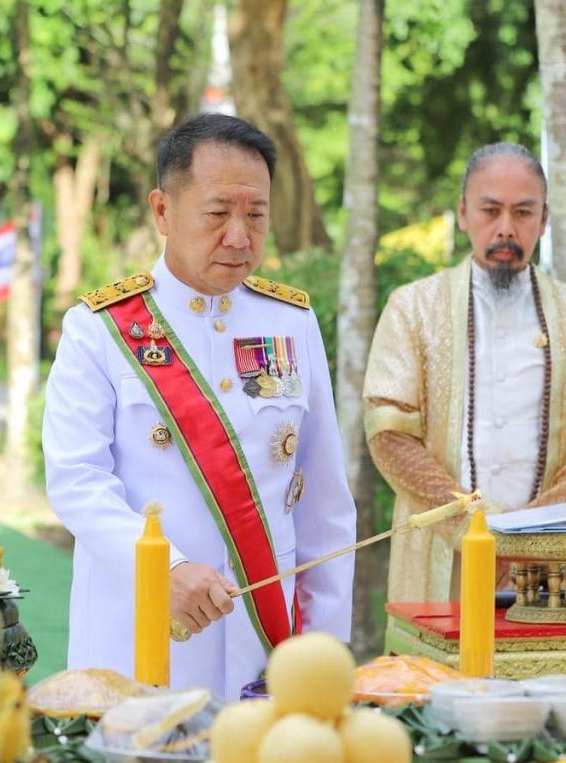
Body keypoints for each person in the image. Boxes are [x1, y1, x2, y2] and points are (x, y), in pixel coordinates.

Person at [42, 113, 355, 698]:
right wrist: (164, 572)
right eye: (217, 214)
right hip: (140, 634)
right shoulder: (101, 330)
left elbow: (324, 502)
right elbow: (76, 481)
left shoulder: (291, 321)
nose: (239, 235)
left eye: (255, 215)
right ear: (163, 211)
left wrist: (325, 649)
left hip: (264, 639)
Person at [362, 142, 566, 603]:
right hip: (441, 550)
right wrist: (472, 526)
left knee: (540, 673)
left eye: (523, 213)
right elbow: (389, 431)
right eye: (491, 211)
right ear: (463, 214)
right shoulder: (414, 307)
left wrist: (526, 536)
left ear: (544, 220)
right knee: (433, 674)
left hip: (543, 559)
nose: (506, 229)